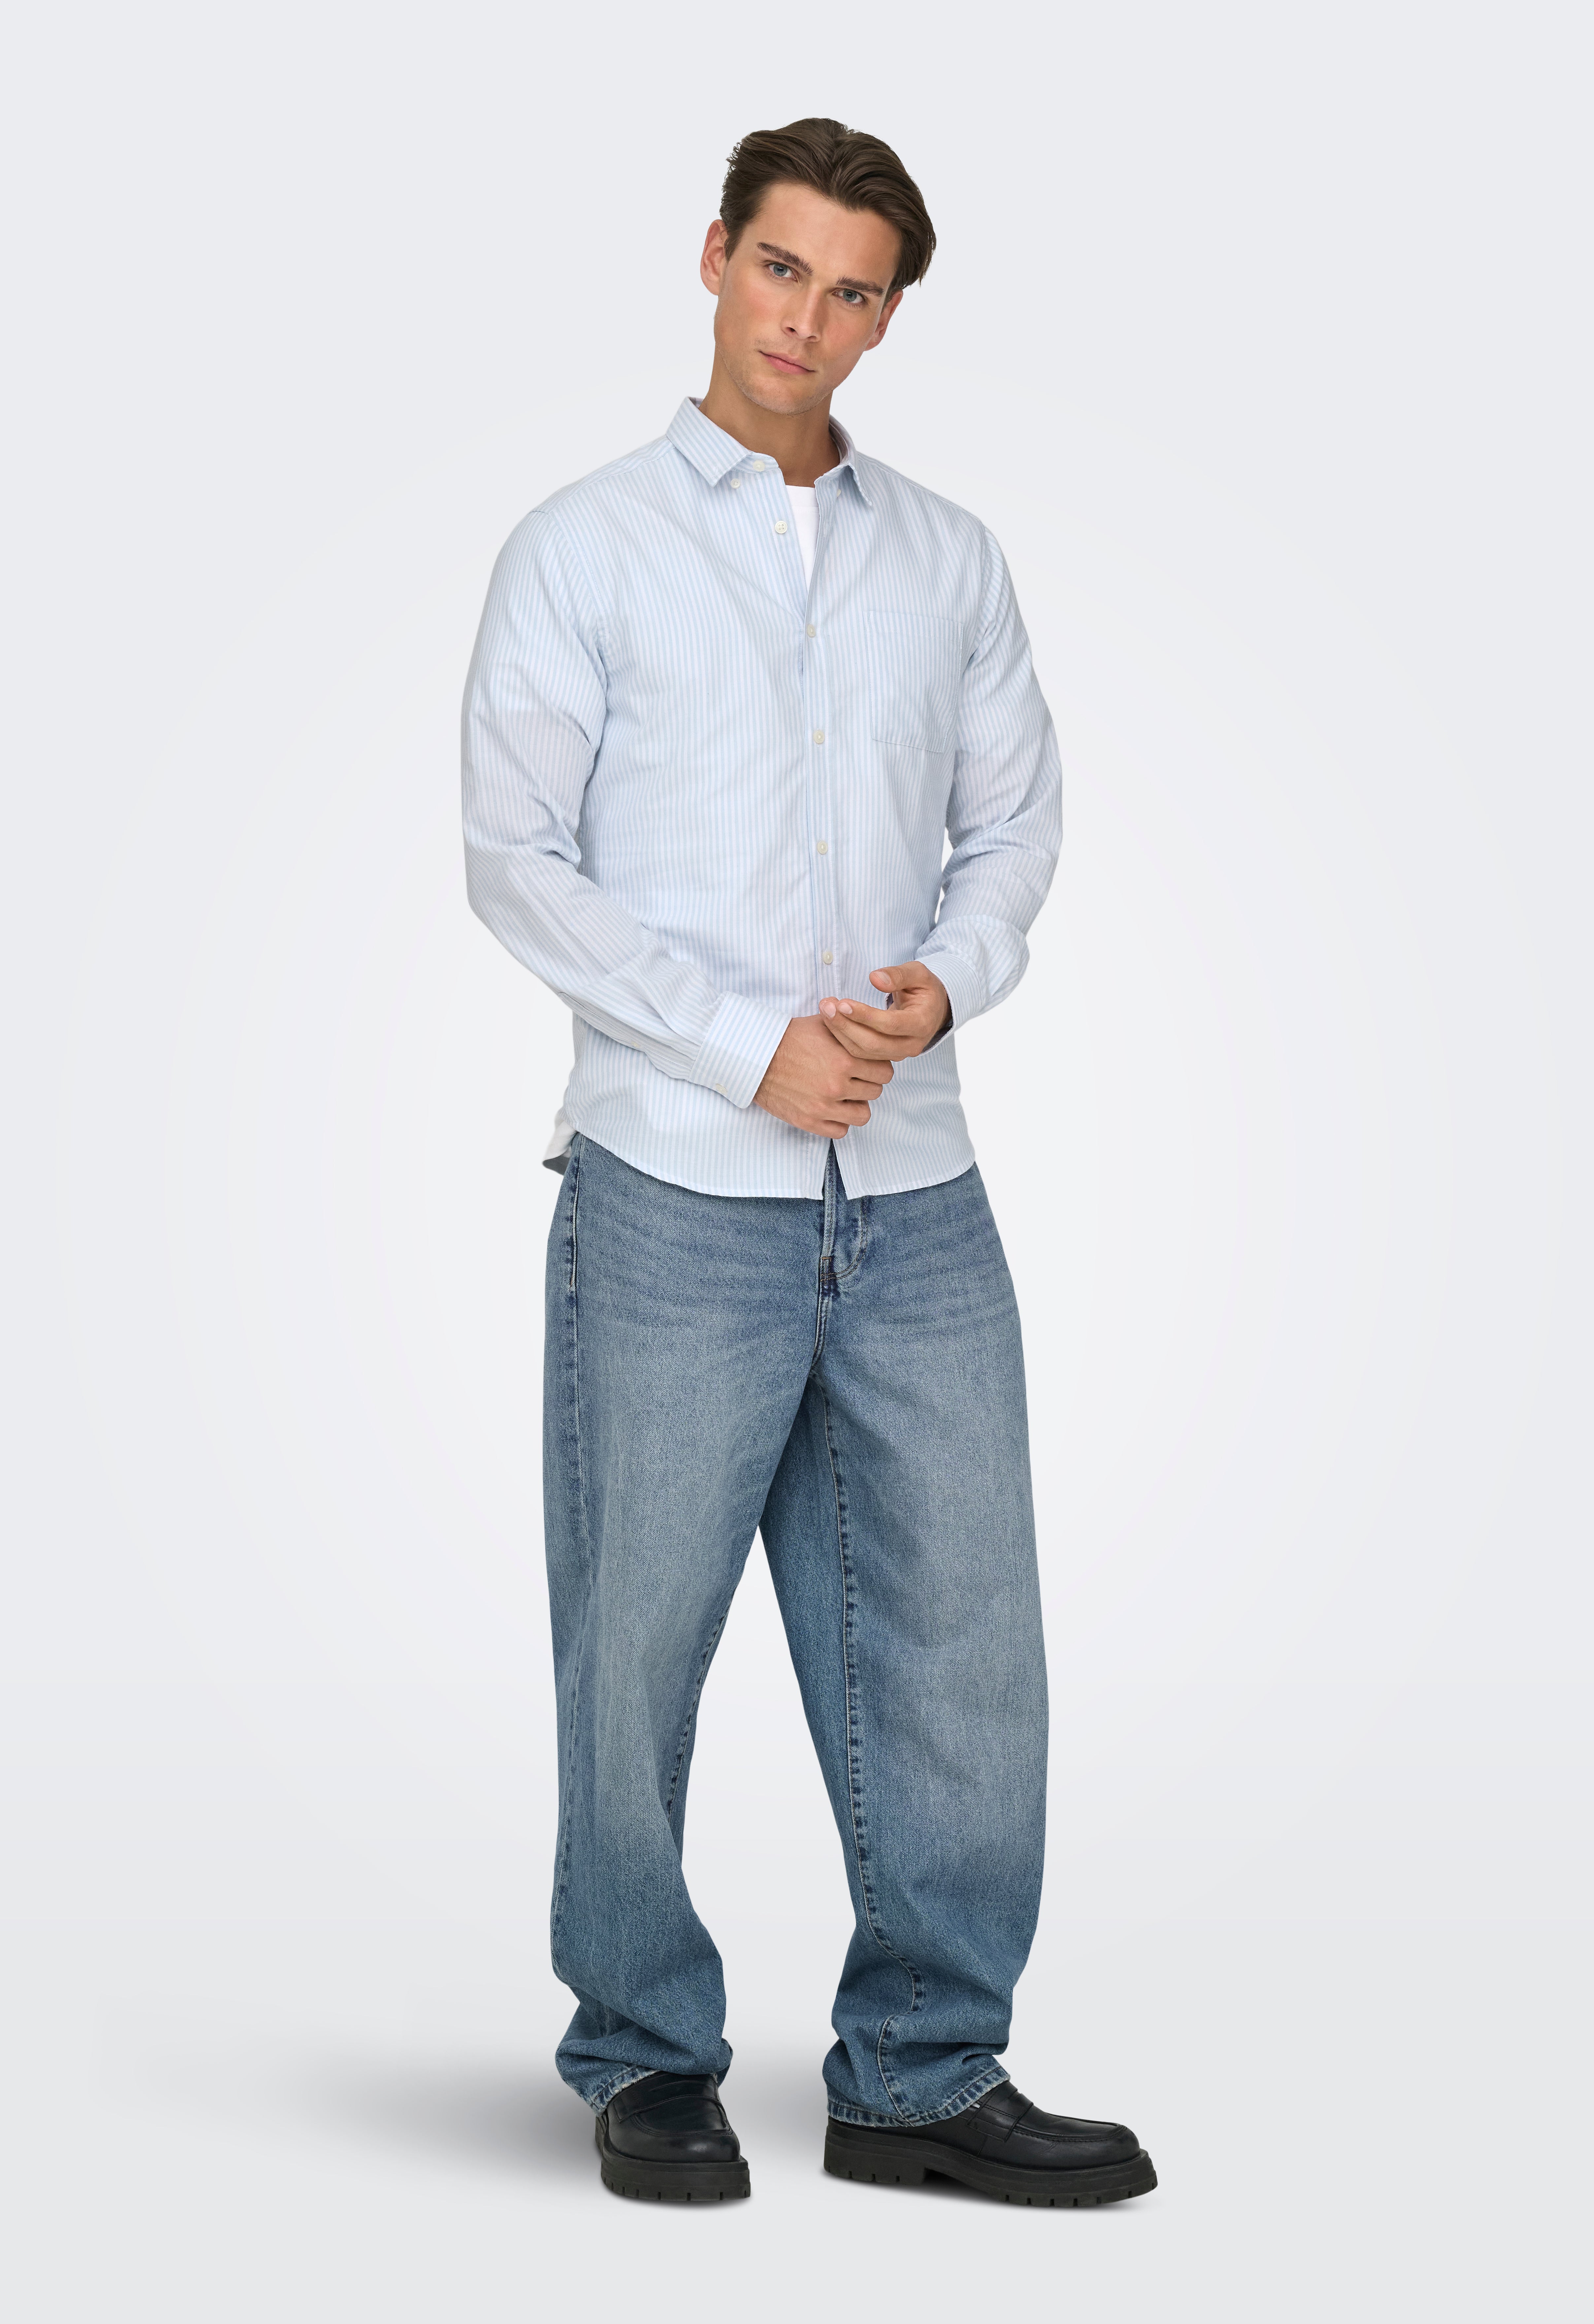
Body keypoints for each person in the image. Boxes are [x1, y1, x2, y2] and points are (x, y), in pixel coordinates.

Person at [461, 118, 1155, 2210]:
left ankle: (921, 2072)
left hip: (916, 1193)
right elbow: (516, 856)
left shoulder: (948, 557)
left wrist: (942, 988)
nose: (808, 321)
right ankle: (645, 2050)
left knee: (967, 1643)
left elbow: (1014, 824)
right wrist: (744, 1043)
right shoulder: (582, 548)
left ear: (887, 318)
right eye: (782, 269)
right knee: (634, 1646)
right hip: (675, 1187)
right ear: (714, 259)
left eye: (854, 292)